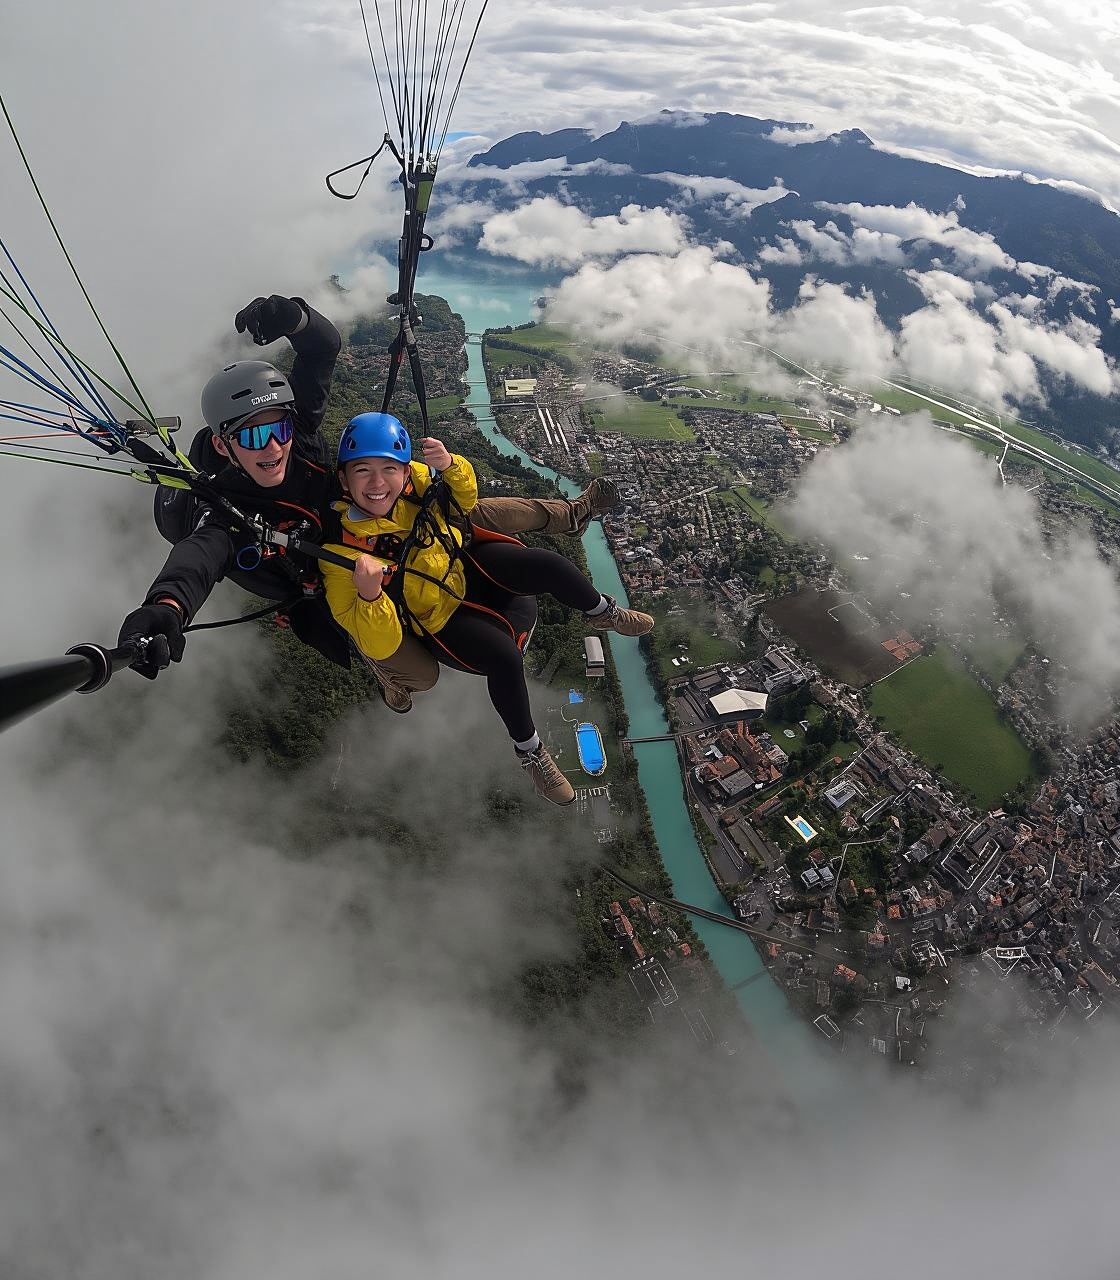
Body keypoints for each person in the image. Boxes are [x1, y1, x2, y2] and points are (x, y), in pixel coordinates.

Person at [118, 294, 621, 710]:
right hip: (344, 572)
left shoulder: (304, 439)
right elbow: (195, 562)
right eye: (252, 439)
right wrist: (165, 609)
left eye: (280, 429)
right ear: (224, 445)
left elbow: (323, 349)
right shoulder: (226, 512)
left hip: (376, 514)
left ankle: (571, 517)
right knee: (398, 651)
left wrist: (293, 317)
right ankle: (393, 679)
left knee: (470, 510)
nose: (272, 447)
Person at [320, 413, 654, 805]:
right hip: (437, 616)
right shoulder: (341, 557)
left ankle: (602, 611)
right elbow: (379, 641)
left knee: (550, 566)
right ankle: (530, 752)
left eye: (389, 470)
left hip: (461, 564)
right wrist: (371, 597)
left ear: (404, 472)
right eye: (363, 471)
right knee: (504, 658)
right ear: (344, 480)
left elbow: (465, 500)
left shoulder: (414, 483)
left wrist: (451, 465)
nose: (378, 484)